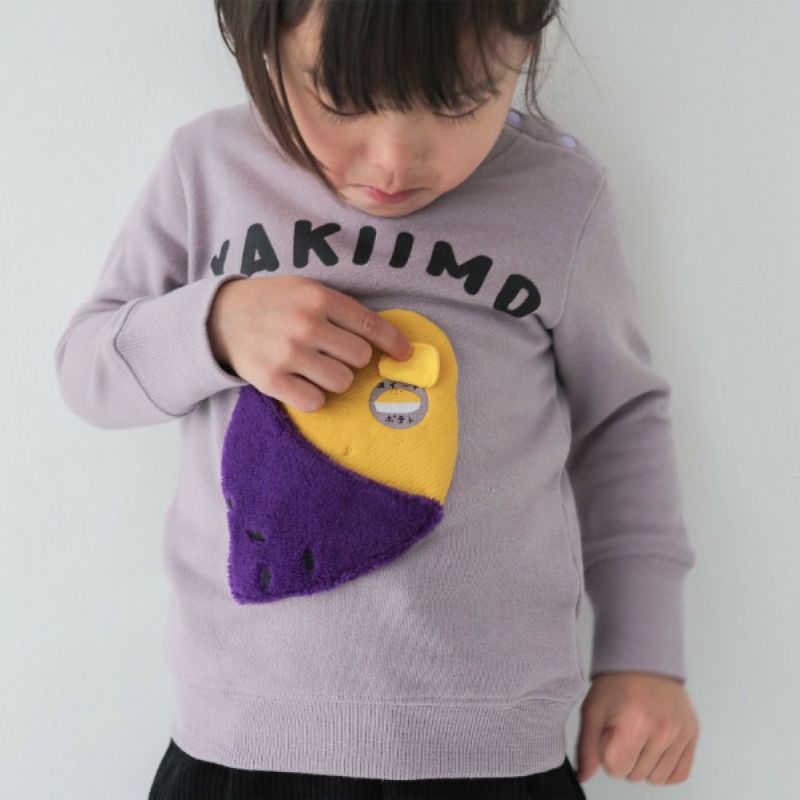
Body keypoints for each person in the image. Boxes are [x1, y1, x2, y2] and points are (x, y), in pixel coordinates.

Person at [53, 1, 700, 797]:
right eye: (339, 98)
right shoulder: (208, 168)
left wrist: (642, 655)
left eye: (458, 101)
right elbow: (87, 369)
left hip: (490, 751)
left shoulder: (560, 197)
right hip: (245, 743)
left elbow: (620, 425)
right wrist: (214, 326)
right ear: (258, 35)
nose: (393, 161)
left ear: (523, 46)